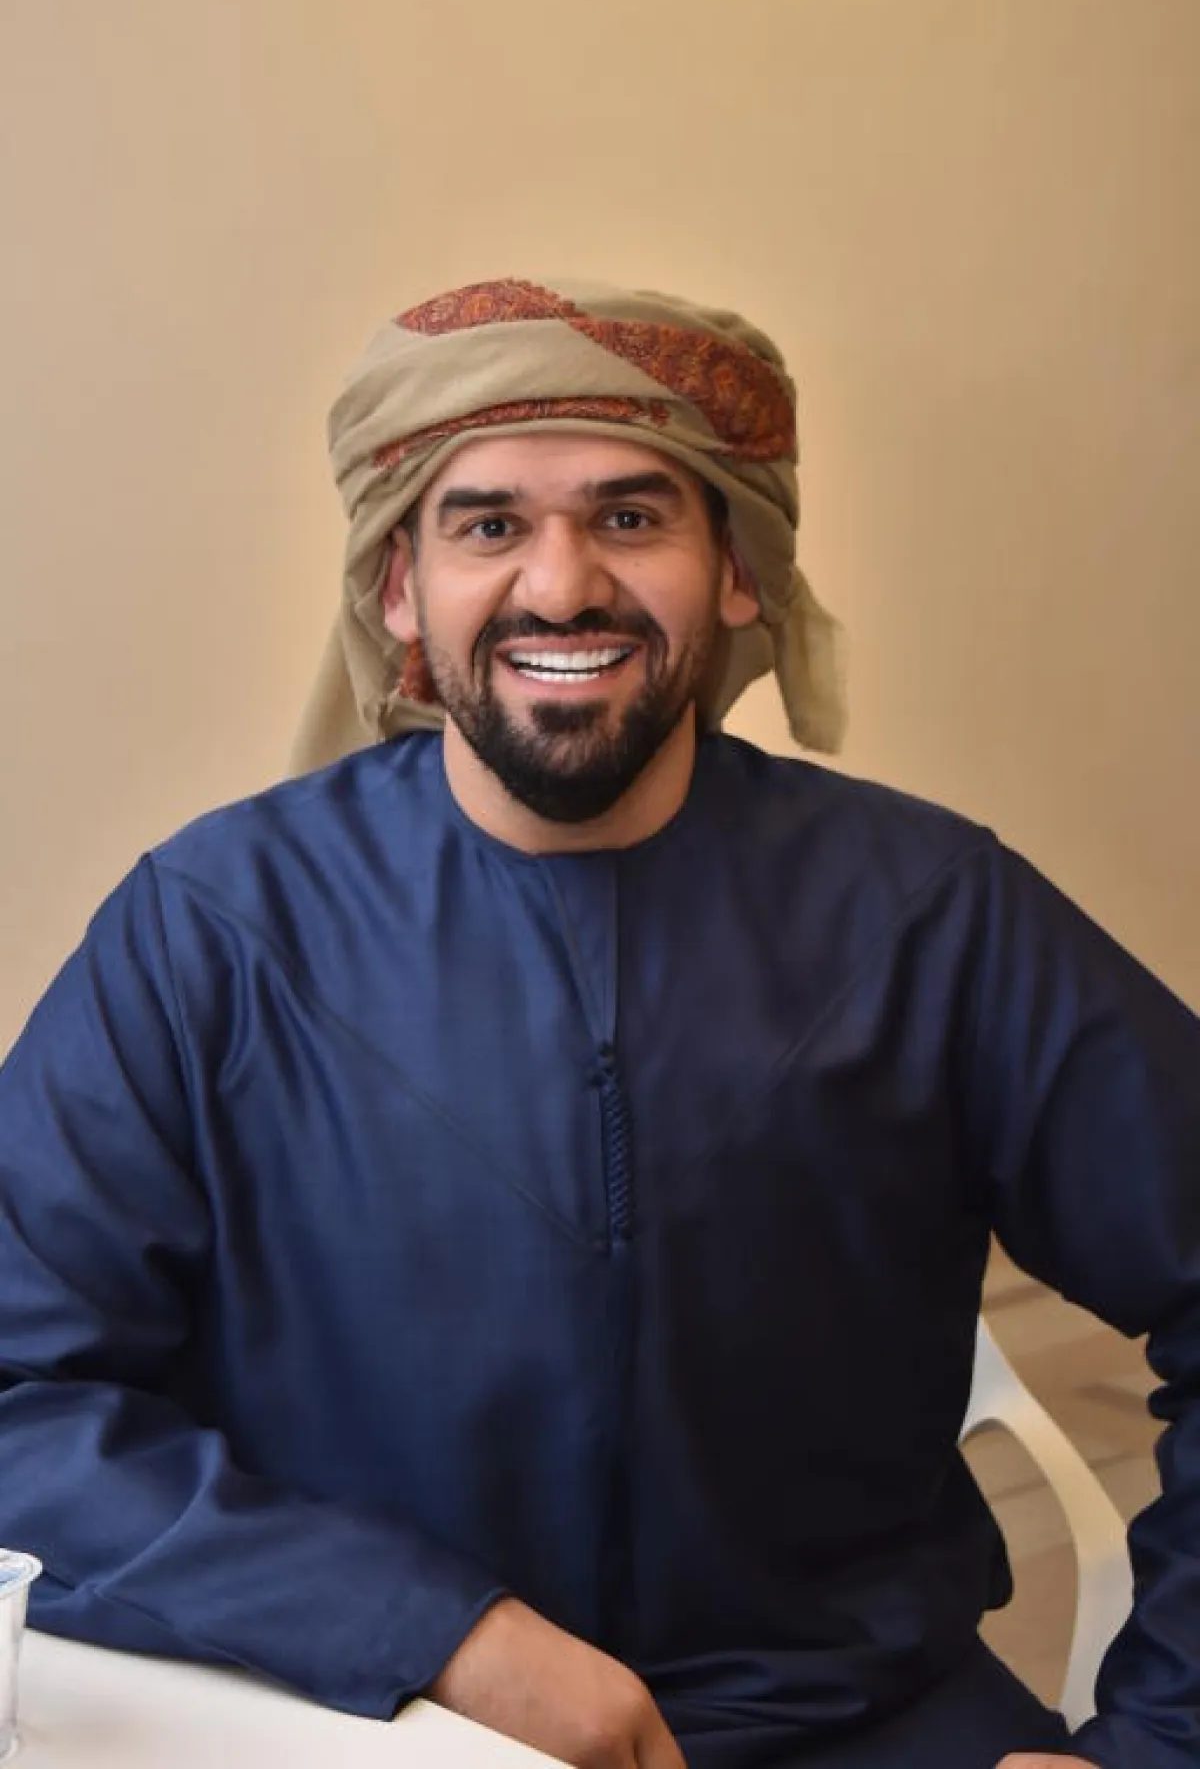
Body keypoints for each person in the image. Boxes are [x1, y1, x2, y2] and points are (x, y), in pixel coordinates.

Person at [0, 278, 1195, 1769]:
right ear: (397, 589)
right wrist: (437, 1635)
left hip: (861, 1727)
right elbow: (19, 1399)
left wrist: (1160, 1741)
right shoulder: (212, 933)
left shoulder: (933, 917)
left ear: (739, 570)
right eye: (487, 525)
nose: (561, 586)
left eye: (631, 517)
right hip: (370, 1729)